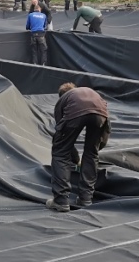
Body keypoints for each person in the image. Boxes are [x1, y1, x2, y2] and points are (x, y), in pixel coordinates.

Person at [47, 83, 110, 212]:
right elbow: (104, 133)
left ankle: (61, 200)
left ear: (61, 97)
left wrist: (74, 159)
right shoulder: (90, 93)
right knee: (91, 154)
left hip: (79, 112)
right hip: (101, 114)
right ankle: (86, 199)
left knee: (60, 153)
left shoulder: (63, 101)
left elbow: (61, 141)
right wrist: (96, 148)